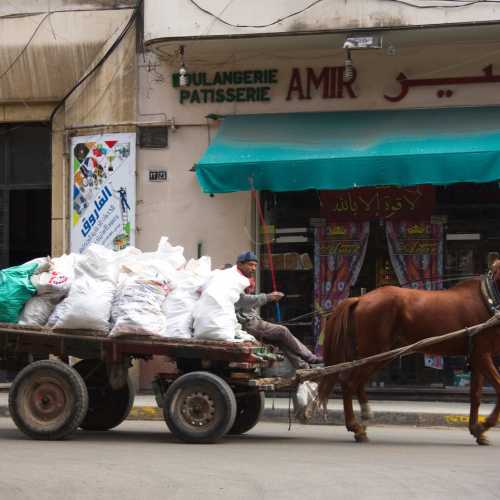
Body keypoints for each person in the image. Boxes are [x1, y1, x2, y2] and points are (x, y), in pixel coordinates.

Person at [234, 251, 322, 369]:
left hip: (251, 320)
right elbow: (243, 300)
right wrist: (269, 297)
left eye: (255, 265)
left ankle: (304, 367)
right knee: (282, 331)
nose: (254, 268)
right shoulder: (235, 281)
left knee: (281, 341)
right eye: (250, 265)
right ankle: (311, 358)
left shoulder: (245, 280)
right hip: (247, 324)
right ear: (240, 264)